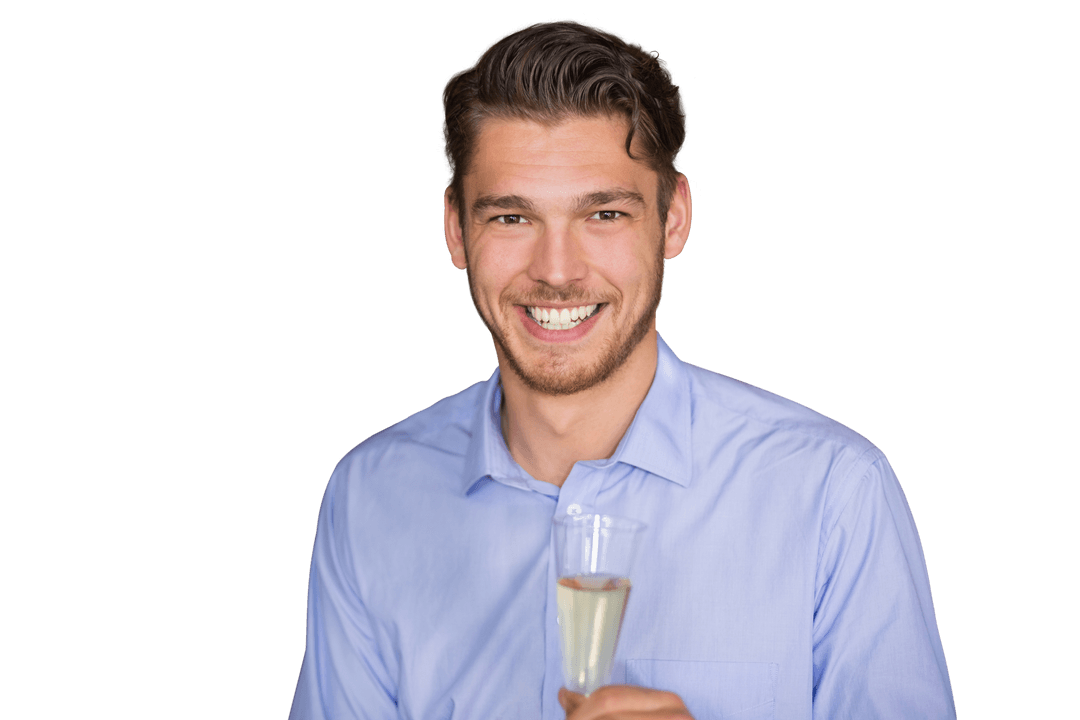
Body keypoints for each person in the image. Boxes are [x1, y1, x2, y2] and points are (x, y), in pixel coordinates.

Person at [289, 19, 955, 720]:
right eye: (512, 218)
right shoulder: (369, 499)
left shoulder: (833, 495)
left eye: (603, 213)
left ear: (672, 221)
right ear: (456, 229)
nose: (556, 271)